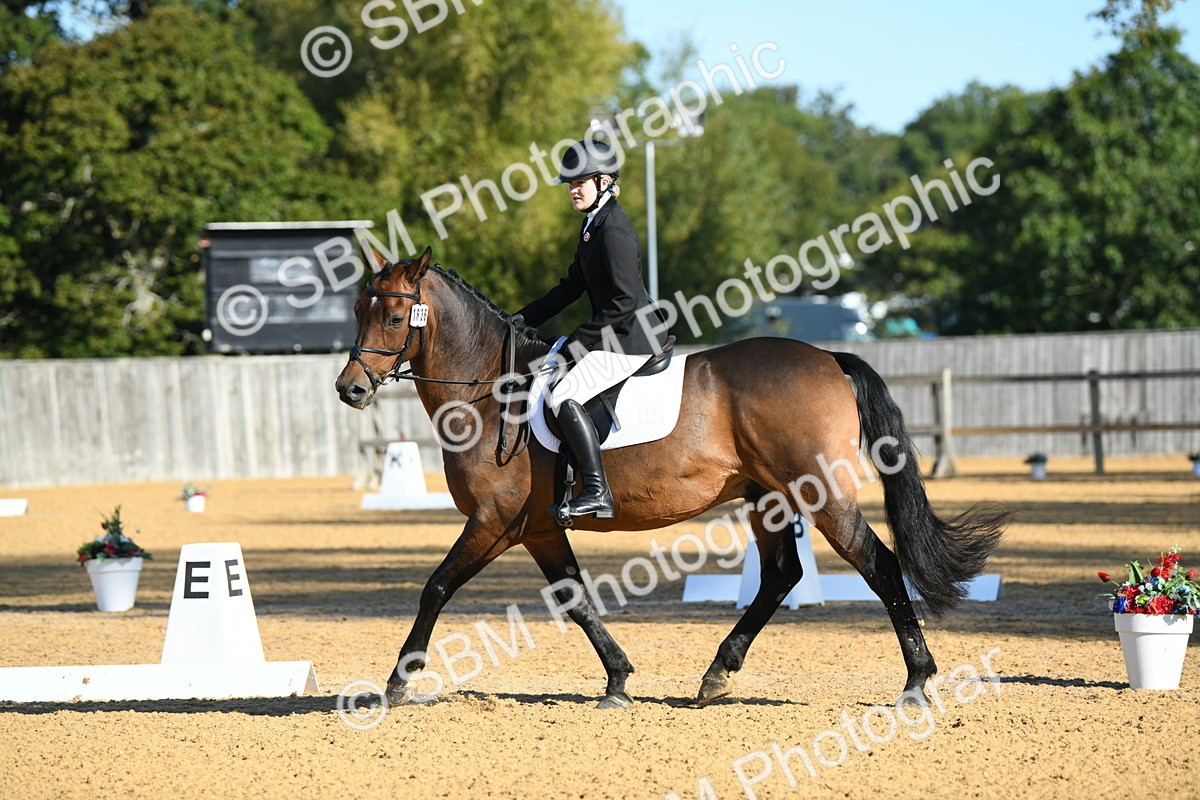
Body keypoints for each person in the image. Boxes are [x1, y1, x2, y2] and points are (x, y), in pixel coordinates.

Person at [516, 139, 669, 520]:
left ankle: (598, 491)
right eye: (570, 184)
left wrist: (578, 345)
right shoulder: (593, 225)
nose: (573, 189)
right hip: (616, 332)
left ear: (604, 181)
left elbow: (623, 302)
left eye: (580, 182)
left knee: (563, 393)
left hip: (633, 337)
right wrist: (520, 319)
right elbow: (571, 286)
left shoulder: (613, 229)